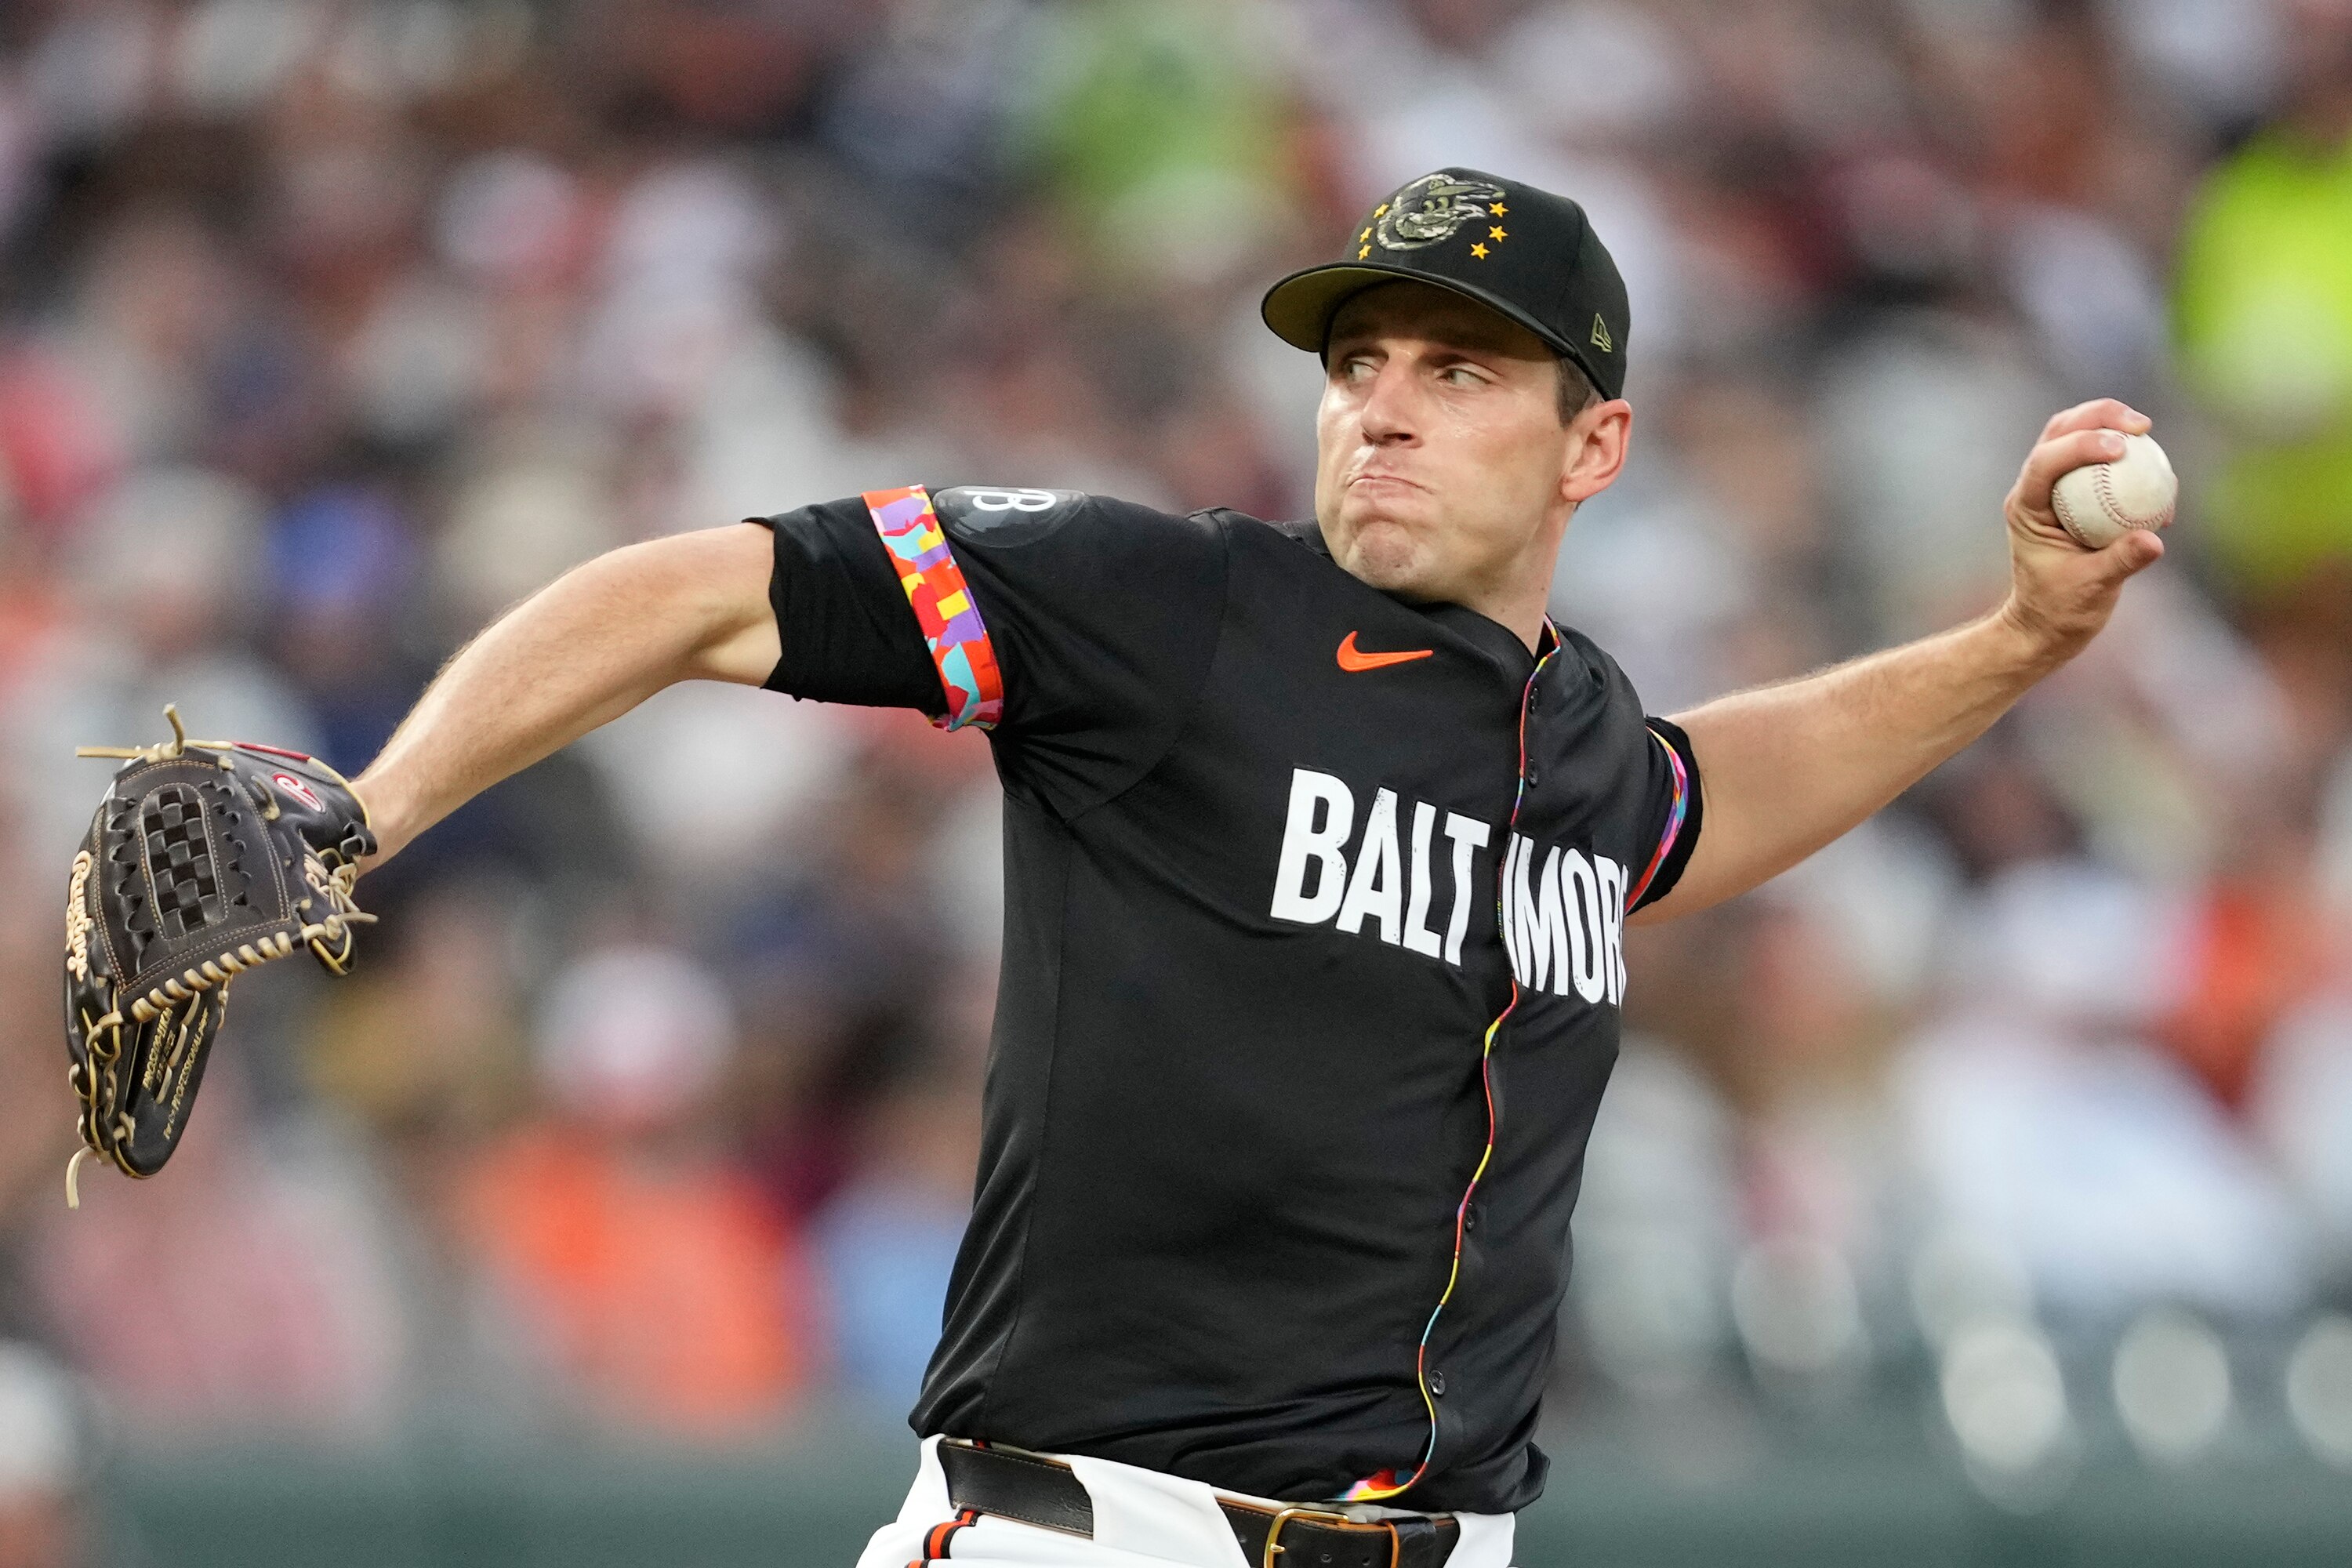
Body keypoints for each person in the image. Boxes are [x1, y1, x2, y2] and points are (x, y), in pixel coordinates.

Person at [347, 169, 2165, 1567]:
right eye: (1358, 363)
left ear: (1592, 445)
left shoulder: (1585, 744)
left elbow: (1700, 803)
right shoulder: (1172, 609)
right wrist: (373, 808)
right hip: (1098, 1527)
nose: (1381, 405)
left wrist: (2016, 639)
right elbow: (697, 589)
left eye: (1459, 371)